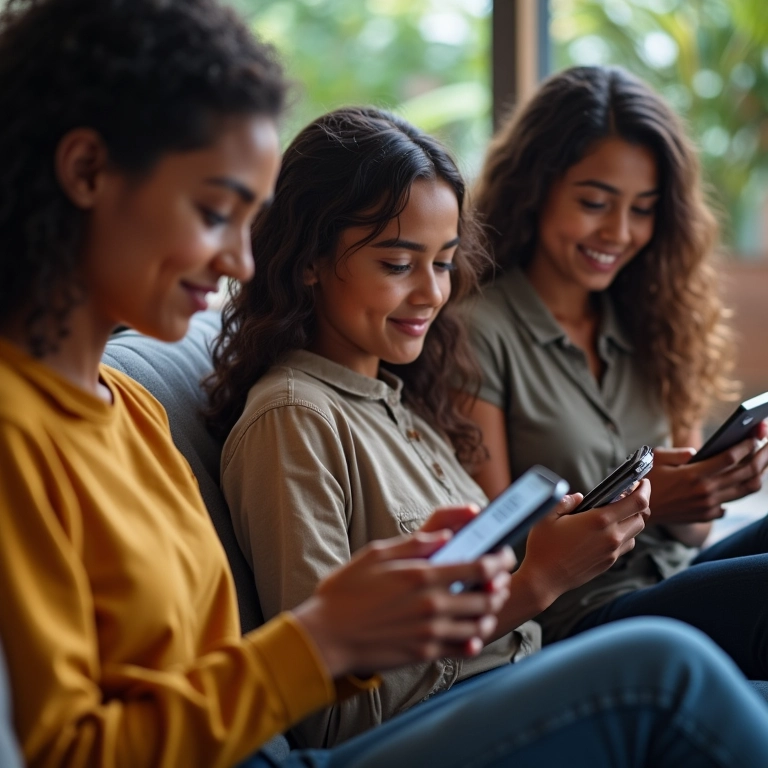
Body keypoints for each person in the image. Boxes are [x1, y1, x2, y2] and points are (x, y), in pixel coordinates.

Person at [3, 3, 768, 766]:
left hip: (449, 687)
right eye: (213, 212)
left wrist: (397, 609)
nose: (240, 261)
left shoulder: (129, 410)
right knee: (664, 669)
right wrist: (329, 636)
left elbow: (223, 671)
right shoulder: (28, 433)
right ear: (86, 171)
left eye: (440, 263)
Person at [463, 64, 768, 679]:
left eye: (643, 209)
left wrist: (707, 490)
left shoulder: (650, 320)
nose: (619, 233)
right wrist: (649, 507)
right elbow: (498, 552)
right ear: (535, 188)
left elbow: (689, 545)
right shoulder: (479, 332)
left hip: (669, 585)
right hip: (576, 623)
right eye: (594, 203)